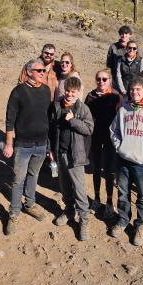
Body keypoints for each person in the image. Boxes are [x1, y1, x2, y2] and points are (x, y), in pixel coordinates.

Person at [109, 78, 143, 246]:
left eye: (138, 90)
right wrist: (120, 147)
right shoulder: (123, 110)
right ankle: (123, 219)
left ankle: (141, 225)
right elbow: (114, 131)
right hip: (124, 160)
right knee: (123, 193)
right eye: (132, 90)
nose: (135, 92)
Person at [3, 58, 52, 235]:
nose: (42, 73)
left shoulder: (46, 90)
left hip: (41, 144)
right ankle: (14, 213)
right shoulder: (18, 92)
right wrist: (9, 144)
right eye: (39, 70)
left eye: (44, 71)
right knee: (18, 180)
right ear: (29, 71)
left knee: (34, 175)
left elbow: (49, 117)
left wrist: (50, 144)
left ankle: (30, 204)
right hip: (23, 145)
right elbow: (10, 121)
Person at [50, 76, 94, 241]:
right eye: (67, 91)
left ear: (78, 93)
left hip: (75, 155)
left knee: (79, 189)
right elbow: (52, 130)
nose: (69, 94)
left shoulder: (82, 109)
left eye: (73, 92)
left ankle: (83, 220)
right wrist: (51, 150)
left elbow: (89, 129)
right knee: (64, 186)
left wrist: (73, 121)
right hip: (60, 153)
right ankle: (69, 211)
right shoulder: (56, 106)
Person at [84, 69, 122, 219]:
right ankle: (97, 198)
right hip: (95, 137)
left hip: (110, 139)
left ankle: (109, 202)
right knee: (96, 169)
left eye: (104, 79)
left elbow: (121, 117)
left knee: (108, 171)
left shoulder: (116, 96)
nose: (101, 82)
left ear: (110, 80)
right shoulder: (91, 96)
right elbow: (86, 115)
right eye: (98, 79)